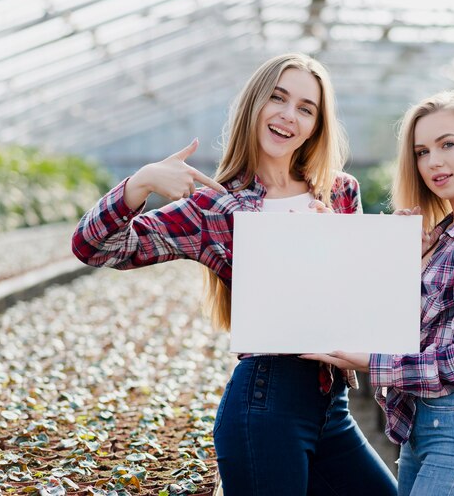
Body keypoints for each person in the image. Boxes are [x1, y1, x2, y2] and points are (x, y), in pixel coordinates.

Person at [71, 53, 397, 495]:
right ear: (254, 105)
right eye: (277, 99)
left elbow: (359, 302)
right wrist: (140, 184)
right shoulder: (216, 205)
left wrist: (349, 246)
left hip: (331, 408)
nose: (288, 115)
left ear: (317, 125)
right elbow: (94, 246)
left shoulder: (339, 192)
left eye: (306, 108)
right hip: (265, 404)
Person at [302, 89, 454, 496]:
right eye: (422, 151)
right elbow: (399, 323)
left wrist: (372, 363)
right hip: (420, 431)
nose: (434, 162)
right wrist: (389, 255)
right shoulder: (446, 234)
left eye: (448, 144)